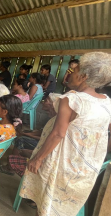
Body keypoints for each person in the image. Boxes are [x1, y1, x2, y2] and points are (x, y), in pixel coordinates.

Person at [20, 52, 111, 216]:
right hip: (85, 169)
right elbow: (87, 126)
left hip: (63, 164)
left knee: (46, 203)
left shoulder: (71, 99)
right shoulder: (106, 101)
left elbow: (58, 134)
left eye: (74, 71)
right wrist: (55, 115)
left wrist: (38, 158)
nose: (69, 74)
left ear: (83, 76)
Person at [0, 94, 58, 177]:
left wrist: (27, 135)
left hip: (44, 144)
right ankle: (12, 161)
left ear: (53, 104)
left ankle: (10, 168)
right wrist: (28, 133)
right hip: (42, 139)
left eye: (46, 100)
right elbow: (42, 131)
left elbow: (45, 138)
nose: (43, 102)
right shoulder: (53, 117)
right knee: (23, 133)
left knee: (21, 139)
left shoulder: (57, 120)